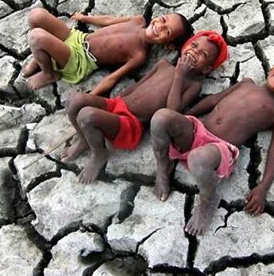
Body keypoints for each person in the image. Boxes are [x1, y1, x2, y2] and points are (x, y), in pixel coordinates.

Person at [150, 56, 274, 236]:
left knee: (198, 158)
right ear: (272, 68)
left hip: (219, 148)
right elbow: (214, 100)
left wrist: (263, 187)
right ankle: (163, 165)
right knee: (161, 117)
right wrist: (185, 118)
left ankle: (208, 200)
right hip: (197, 131)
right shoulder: (246, 83)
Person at [62, 31, 229, 183]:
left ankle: (99, 153)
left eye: (203, 55)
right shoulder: (163, 64)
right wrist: (113, 104)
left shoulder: (193, 84)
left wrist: (180, 75)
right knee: (74, 100)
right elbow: (138, 85)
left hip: (130, 123)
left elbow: (172, 111)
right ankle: (84, 139)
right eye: (194, 45)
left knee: (87, 116)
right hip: (117, 105)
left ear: (207, 69)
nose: (194, 52)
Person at [22, 8, 192, 94]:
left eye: (167, 32)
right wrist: (85, 18)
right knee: (36, 16)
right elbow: (109, 21)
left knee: (37, 37)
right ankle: (42, 55)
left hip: (78, 60)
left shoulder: (139, 54)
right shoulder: (138, 20)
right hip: (79, 38)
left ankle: (49, 72)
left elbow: (113, 78)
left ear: (168, 45)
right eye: (163, 19)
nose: (159, 27)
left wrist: (93, 95)